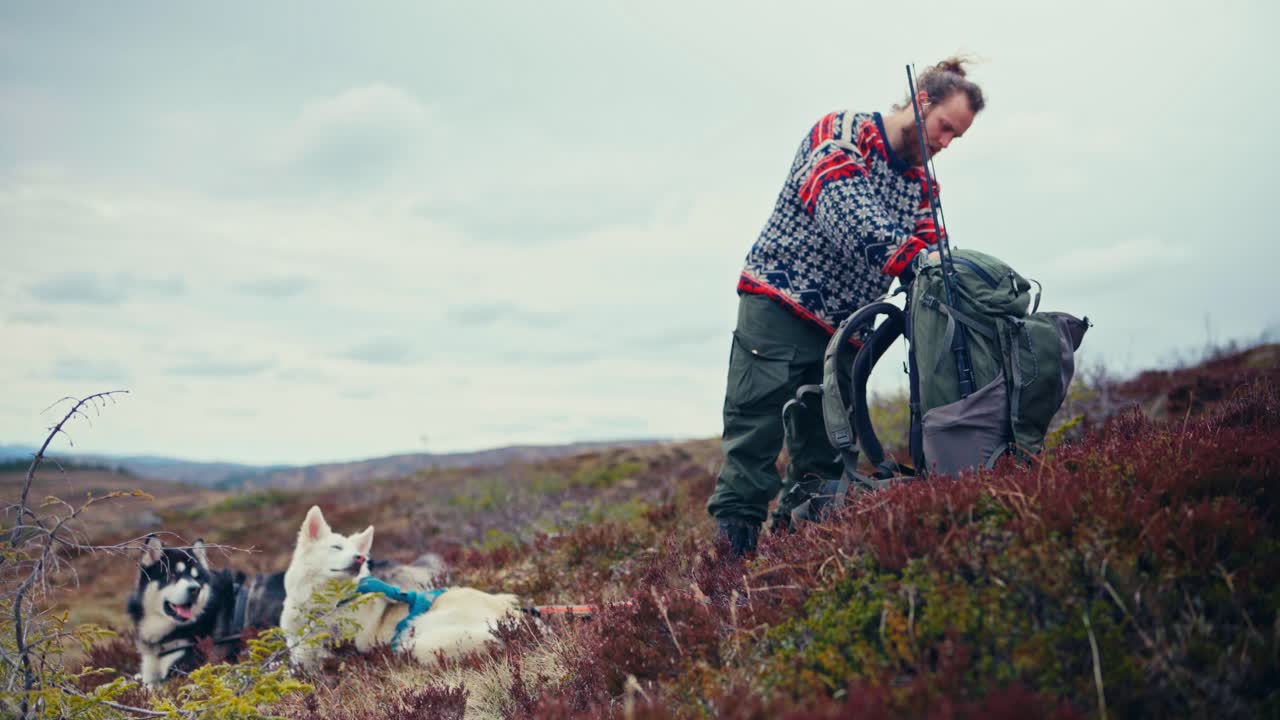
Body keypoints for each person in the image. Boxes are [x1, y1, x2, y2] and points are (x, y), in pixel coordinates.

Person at [707, 57, 986, 555]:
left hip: (845, 335)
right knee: (755, 436)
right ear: (922, 103)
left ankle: (785, 570)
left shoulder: (924, 185)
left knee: (824, 456)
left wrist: (965, 286)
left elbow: (935, 255)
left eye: (955, 139)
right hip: (779, 309)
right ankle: (728, 571)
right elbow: (846, 212)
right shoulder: (839, 134)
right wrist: (911, 261)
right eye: (944, 128)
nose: (945, 143)